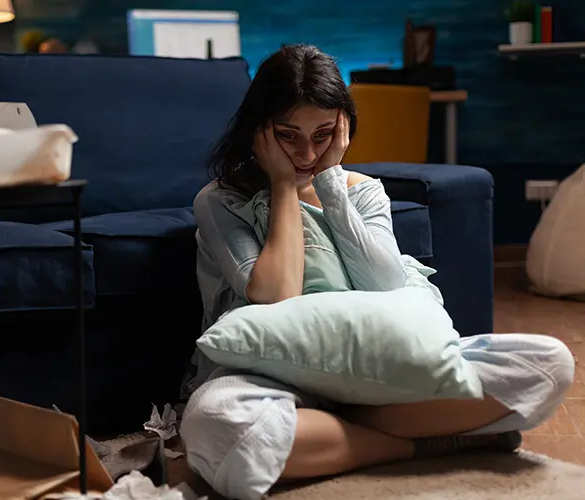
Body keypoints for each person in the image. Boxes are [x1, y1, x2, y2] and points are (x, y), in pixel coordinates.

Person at [179, 44, 575, 500]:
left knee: (546, 366)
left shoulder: (362, 192)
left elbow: (383, 285)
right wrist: (284, 186)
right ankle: (411, 445)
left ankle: (334, 432)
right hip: (267, 375)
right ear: (259, 131)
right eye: (288, 136)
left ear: (343, 128)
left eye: (323, 134)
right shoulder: (220, 200)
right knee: (216, 426)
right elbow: (276, 297)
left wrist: (330, 185)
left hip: (374, 374)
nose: (306, 153)